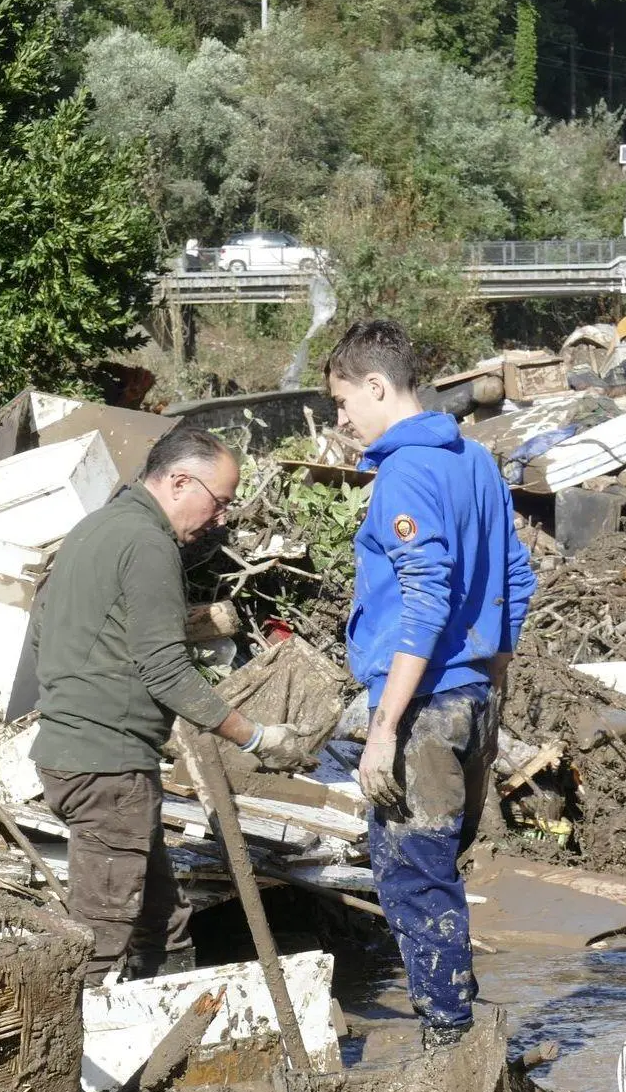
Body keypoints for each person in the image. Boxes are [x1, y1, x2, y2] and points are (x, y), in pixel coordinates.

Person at [31, 425, 312, 983]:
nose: (222, 518)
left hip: (75, 753)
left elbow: (41, 631)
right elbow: (165, 669)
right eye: (220, 502)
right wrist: (255, 737)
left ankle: (176, 1025)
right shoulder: (149, 544)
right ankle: (58, 1059)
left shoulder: (96, 527)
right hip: (107, 764)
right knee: (102, 932)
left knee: (161, 917)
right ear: (181, 481)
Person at [326, 319, 537, 1051]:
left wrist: (384, 728)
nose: (341, 419)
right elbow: (516, 576)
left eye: (344, 401)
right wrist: (493, 679)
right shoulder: (476, 460)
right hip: (474, 699)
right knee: (437, 871)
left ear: (377, 386)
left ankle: (451, 1053)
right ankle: (463, 1034)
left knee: (414, 877)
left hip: (423, 709)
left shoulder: (405, 476)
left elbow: (425, 599)